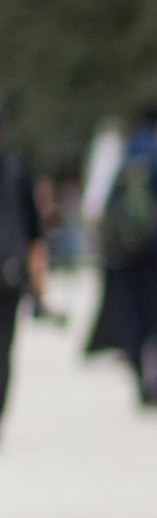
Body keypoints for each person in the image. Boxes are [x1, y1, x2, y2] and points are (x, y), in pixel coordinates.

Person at [88, 104, 157, 409]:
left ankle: (138, 382)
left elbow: (108, 204)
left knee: (134, 314)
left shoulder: (126, 155)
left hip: (130, 250)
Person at [0, 105, 47, 436]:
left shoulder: (17, 173)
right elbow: (35, 236)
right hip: (10, 272)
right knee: (3, 348)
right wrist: (40, 287)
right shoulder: (18, 172)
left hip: (10, 271)